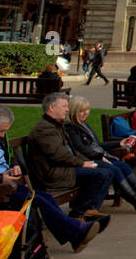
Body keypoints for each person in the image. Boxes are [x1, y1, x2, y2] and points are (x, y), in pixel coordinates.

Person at [0, 106, 102, 254]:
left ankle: (76, 233)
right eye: (0, 132)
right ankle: (77, 231)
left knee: (42, 196)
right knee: (36, 200)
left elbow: (5, 158)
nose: (2, 136)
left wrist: (13, 166)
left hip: (0, 186)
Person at [26, 92, 115, 221]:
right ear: (52, 108)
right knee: (100, 174)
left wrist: (86, 161)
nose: (67, 109)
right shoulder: (44, 129)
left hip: (64, 167)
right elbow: (58, 156)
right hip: (53, 173)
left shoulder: (56, 124)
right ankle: (78, 213)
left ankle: (90, 208)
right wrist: (82, 164)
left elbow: (71, 152)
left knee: (108, 169)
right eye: (64, 106)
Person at [64, 95, 136, 211]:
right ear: (73, 111)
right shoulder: (71, 127)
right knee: (115, 169)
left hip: (96, 156)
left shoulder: (83, 125)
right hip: (87, 160)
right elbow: (81, 149)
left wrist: (118, 143)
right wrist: (100, 157)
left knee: (122, 165)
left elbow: (97, 145)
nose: (86, 113)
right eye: (81, 111)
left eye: (87, 110)